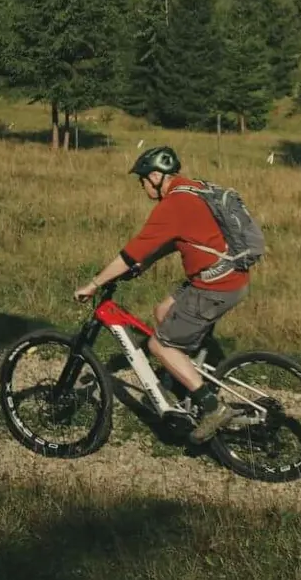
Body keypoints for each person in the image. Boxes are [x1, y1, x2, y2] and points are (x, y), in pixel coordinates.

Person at [76, 145, 247, 443]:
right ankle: (183, 382)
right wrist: (150, 261)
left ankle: (212, 406)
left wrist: (94, 283)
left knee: (158, 346)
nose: (142, 186)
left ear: (156, 176)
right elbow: (179, 238)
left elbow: (131, 252)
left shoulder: (172, 205)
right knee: (162, 312)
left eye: (142, 180)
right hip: (227, 275)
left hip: (214, 286)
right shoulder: (192, 189)